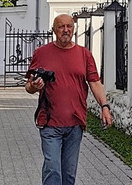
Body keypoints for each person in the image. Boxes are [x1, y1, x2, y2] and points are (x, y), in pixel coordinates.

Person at [25, 14, 113, 185]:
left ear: (73, 29)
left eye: (69, 27)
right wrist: (34, 87)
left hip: (75, 122)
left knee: (69, 173)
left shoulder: (84, 54)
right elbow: (29, 86)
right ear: (54, 30)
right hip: (49, 122)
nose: (65, 30)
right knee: (52, 168)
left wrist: (105, 106)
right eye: (61, 26)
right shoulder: (41, 53)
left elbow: (94, 82)